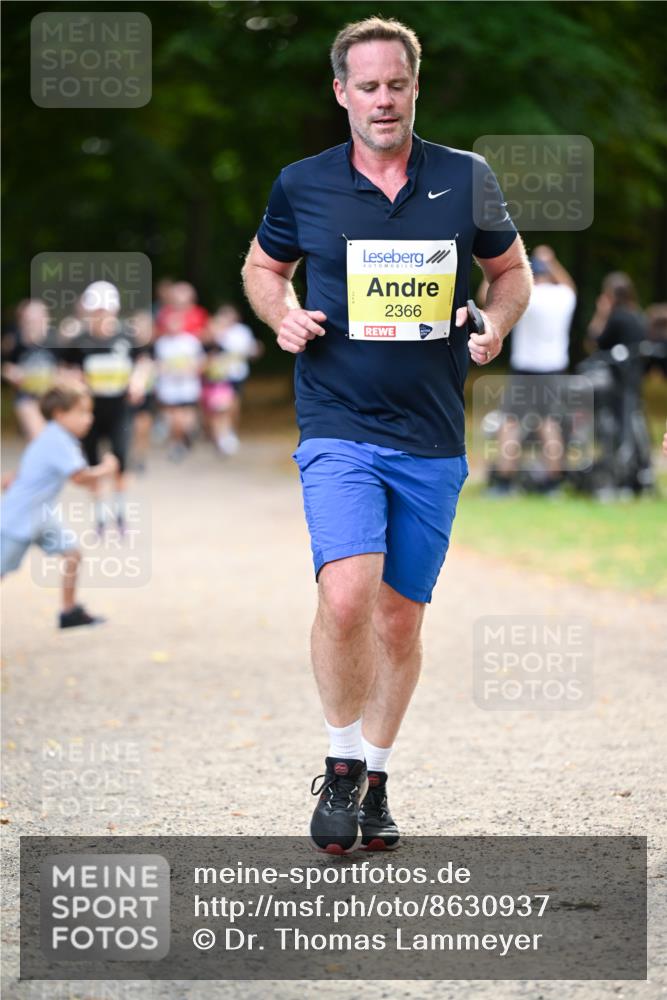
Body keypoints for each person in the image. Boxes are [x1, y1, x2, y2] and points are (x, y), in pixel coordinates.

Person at [242, 17, 531, 853]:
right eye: (365, 86)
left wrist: (495, 325)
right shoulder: (302, 183)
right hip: (337, 418)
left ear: (414, 87)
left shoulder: (464, 178)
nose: (381, 100)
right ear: (340, 92)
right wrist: (284, 315)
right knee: (346, 594)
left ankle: (374, 780)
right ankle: (336, 768)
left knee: (399, 620)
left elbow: (507, 272)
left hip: (432, 430)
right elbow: (265, 267)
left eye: (394, 85)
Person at [1, 384, 118, 628]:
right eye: (83, 413)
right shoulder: (58, 439)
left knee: (72, 553)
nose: (90, 418)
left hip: (42, 514)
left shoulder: (55, 436)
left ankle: (69, 611)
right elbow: (80, 478)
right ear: (60, 414)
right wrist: (107, 469)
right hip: (18, 519)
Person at [60, 281, 152, 534]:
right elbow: (66, 370)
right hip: (89, 413)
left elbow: (144, 362)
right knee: (92, 463)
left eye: (105, 310)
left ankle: (120, 512)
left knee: (121, 459)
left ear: (114, 310)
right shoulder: (79, 341)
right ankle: (100, 515)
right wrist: (73, 383)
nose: (101, 316)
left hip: (120, 409)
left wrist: (137, 381)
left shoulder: (127, 337)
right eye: (96, 311)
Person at [491, 245, 576, 495]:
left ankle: (504, 483)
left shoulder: (526, 295)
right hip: (553, 369)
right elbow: (570, 285)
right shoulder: (563, 297)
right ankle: (553, 483)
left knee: (510, 424)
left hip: (524, 369)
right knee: (549, 425)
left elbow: (489, 294)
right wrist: (552, 260)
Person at [205, 304, 264, 454]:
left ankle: (228, 433)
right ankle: (219, 436)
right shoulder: (214, 331)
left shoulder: (241, 332)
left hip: (236, 375)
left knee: (231, 406)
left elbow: (251, 350)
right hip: (218, 377)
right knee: (217, 408)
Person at [1, 299, 59, 440]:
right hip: (27, 396)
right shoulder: (13, 341)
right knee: (39, 436)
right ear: (22, 321)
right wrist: (11, 373)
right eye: (29, 320)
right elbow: (4, 365)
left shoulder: (56, 340)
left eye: (38, 318)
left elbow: (69, 365)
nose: (34, 323)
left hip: (53, 397)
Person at [153, 309, 205, 461]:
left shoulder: (190, 342)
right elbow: (156, 364)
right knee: (174, 418)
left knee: (186, 418)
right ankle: (176, 443)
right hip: (169, 387)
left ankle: (184, 438)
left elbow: (201, 362)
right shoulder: (161, 343)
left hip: (187, 386)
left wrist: (191, 369)